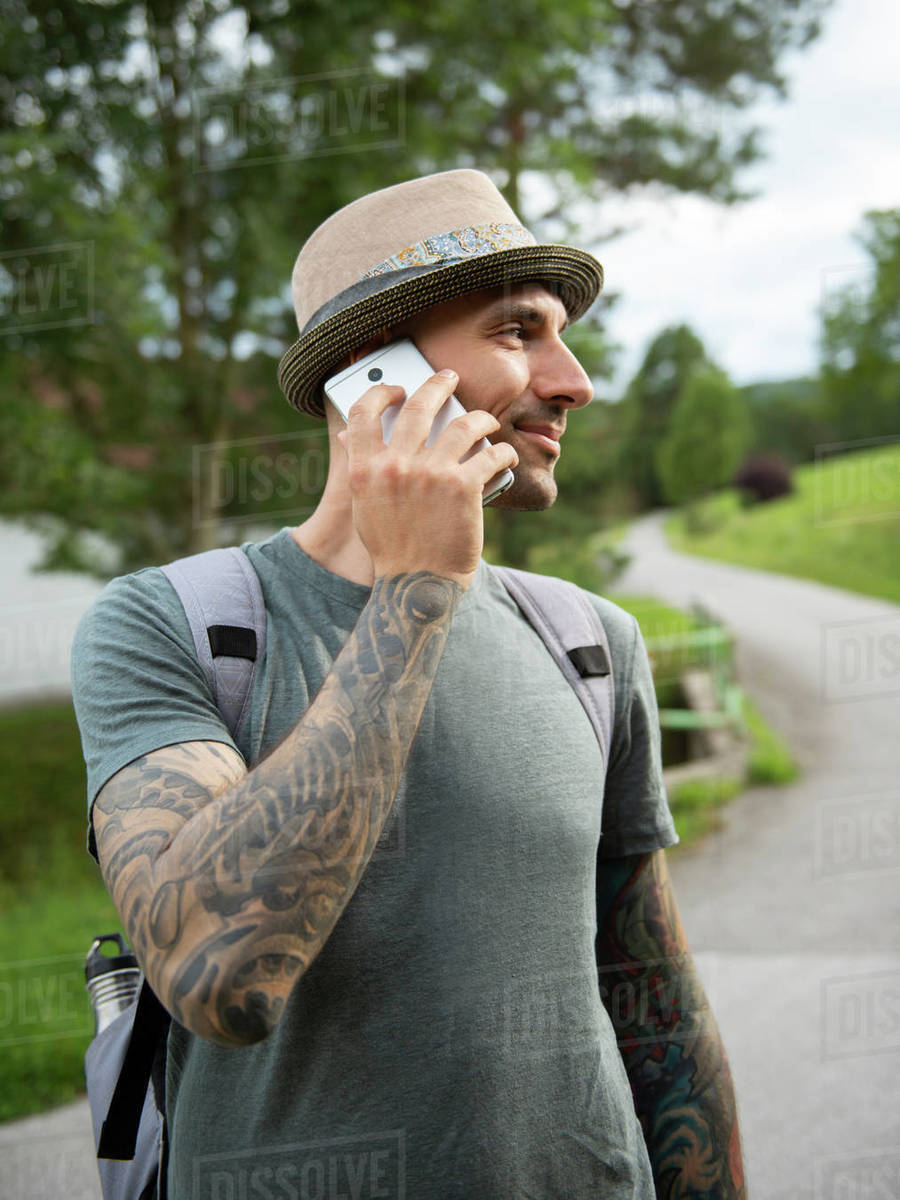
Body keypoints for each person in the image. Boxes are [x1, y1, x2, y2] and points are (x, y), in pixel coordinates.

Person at [72, 169, 746, 1199]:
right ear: (370, 373)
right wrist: (415, 588)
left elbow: (656, 1009)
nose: (574, 382)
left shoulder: (587, 640)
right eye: (518, 331)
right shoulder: (168, 624)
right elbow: (218, 977)